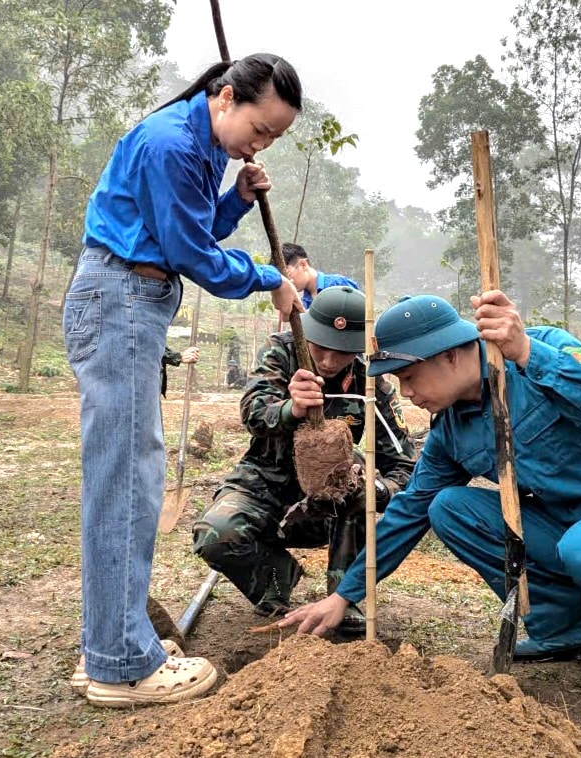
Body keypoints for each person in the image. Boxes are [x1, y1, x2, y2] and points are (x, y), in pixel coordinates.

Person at [281, 291, 581, 705]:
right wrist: (345, 594)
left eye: (409, 377)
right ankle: (567, 628)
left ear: (449, 354)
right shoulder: (451, 430)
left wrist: (526, 351)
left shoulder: (542, 350)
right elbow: (410, 511)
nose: (407, 393)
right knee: (448, 507)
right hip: (572, 534)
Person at [62, 53, 306, 708]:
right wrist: (270, 279)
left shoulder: (198, 143)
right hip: (120, 306)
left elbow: (191, 229)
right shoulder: (173, 143)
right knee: (127, 483)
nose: (259, 145)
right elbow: (190, 255)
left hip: (131, 305)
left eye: (273, 139)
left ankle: (113, 644)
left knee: (127, 476)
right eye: (259, 130)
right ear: (225, 99)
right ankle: (120, 665)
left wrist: (239, 199)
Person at [193, 286, 416, 635]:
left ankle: (345, 598)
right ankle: (277, 583)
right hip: (263, 484)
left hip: (327, 501)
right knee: (215, 535)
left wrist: (374, 488)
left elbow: (404, 465)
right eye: (320, 347)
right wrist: (290, 408)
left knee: (360, 489)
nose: (328, 361)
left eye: (341, 352)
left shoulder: (372, 386)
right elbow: (253, 413)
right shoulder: (280, 352)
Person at [283, 242, 359, 310]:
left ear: (303, 265)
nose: (288, 281)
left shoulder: (338, 283)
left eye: (288, 276)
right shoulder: (304, 303)